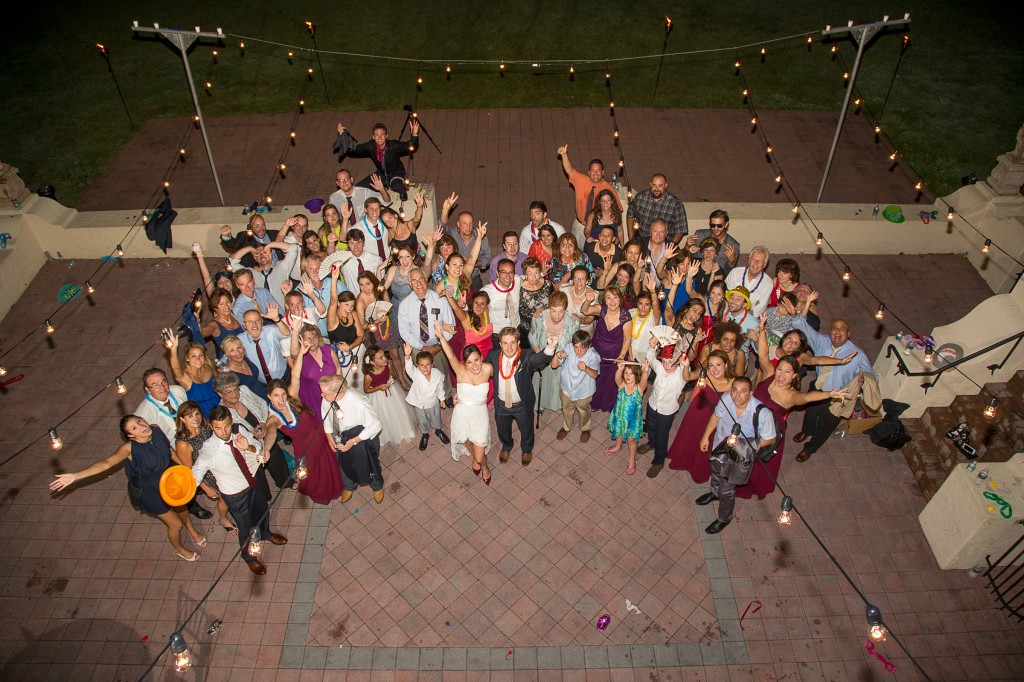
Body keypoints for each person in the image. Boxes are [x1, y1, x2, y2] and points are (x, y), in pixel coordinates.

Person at [50, 415, 206, 561]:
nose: (141, 426)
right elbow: (106, 463)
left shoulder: (156, 429)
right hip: (150, 491)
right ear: (131, 436)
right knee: (176, 524)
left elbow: (170, 451)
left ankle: (192, 530)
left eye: (139, 421)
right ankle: (178, 548)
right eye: (134, 428)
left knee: (182, 507)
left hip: (169, 479)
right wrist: (76, 476)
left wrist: (185, 470)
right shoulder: (129, 449)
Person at [747, 323, 852, 499]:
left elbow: (807, 397)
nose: (781, 375)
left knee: (755, 459)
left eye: (787, 372)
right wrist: (763, 329)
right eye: (780, 369)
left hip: (769, 428)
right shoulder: (770, 372)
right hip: (750, 418)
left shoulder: (791, 394)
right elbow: (763, 354)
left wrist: (830, 392)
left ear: (795, 375)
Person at [194, 406, 287, 575]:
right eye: (218, 428)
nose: (223, 432)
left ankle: (265, 533)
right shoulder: (208, 450)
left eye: (227, 426)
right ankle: (249, 557)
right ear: (211, 426)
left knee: (263, 511)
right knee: (246, 528)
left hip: (254, 481)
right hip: (235, 494)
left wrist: (247, 448)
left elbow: (257, 448)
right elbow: (196, 473)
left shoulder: (238, 429)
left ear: (231, 421)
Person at [695, 377, 777, 534]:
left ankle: (724, 518)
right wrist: (706, 436)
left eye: (743, 391)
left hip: (739, 456)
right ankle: (714, 493)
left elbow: (770, 438)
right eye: (734, 390)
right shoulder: (726, 398)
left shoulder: (762, 413)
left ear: (750, 393)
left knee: (727, 490)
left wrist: (742, 443)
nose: (737, 395)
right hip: (720, 447)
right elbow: (716, 417)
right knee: (716, 473)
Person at [790, 315, 877, 462]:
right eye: (835, 328)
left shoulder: (858, 355)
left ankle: (810, 448)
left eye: (843, 329)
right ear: (830, 332)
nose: (838, 332)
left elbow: (873, 377)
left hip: (838, 396)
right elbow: (802, 327)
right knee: (810, 412)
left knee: (826, 426)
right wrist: (797, 313)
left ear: (848, 334)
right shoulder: (821, 341)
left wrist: (863, 381)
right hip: (818, 388)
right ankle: (806, 431)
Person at [486, 327, 558, 466]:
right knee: (502, 429)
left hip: (522, 405)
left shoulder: (525, 356)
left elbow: (539, 359)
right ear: (500, 344)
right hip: (501, 404)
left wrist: (550, 347)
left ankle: (526, 449)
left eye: (513, 342)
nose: (509, 347)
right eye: (505, 343)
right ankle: (507, 446)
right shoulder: (493, 355)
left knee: (526, 429)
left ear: (518, 343)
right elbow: (481, 371)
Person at [265, 379, 344, 505]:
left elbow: (295, 375)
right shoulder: (273, 418)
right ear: (269, 396)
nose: (281, 399)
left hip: (321, 436)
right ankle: (324, 493)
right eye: (276, 395)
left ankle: (337, 488)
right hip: (306, 449)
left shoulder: (292, 399)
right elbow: (270, 432)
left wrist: (299, 357)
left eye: (283, 394)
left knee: (330, 465)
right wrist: (266, 449)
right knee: (317, 473)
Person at [436, 323, 494, 484]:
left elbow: (503, 375)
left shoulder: (488, 368)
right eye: (469, 362)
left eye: (476, 360)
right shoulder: (461, 372)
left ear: (481, 358)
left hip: (480, 416)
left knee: (479, 453)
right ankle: (479, 463)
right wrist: (440, 336)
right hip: (462, 415)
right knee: (467, 442)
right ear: (465, 364)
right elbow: (450, 356)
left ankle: (484, 466)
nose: (474, 365)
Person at [213, 372, 291, 490]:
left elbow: (262, 403)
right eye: (229, 392)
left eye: (236, 389)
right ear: (220, 394)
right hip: (250, 445)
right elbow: (234, 435)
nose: (235, 394)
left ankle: (285, 482)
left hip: (265, 431)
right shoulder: (224, 413)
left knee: (276, 457)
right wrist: (252, 436)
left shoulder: (244, 391)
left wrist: (265, 423)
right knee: (258, 473)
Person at [667, 350, 736, 478]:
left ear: (726, 365)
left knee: (706, 443)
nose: (714, 369)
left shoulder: (734, 383)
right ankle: (683, 460)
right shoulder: (705, 374)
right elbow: (687, 377)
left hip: (715, 419)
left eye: (718, 365)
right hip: (697, 411)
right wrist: (686, 366)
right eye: (711, 365)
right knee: (690, 437)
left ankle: (697, 468)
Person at [320, 373, 386, 503]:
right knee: (343, 463)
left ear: (337, 392)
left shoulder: (358, 402)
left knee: (370, 463)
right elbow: (326, 417)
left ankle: (377, 486)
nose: (322, 395)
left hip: (362, 439)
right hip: (340, 437)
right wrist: (329, 436)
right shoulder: (327, 399)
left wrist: (354, 441)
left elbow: (375, 425)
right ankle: (349, 486)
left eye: (325, 393)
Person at [175, 401, 236, 534]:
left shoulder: (206, 426)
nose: (195, 418)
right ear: (182, 419)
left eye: (197, 413)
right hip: (207, 474)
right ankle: (223, 518)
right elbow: (189, 469)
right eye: (190, 416)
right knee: (224, 497)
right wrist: (205, 487)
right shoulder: (183, 443)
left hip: (222, 462)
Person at [639, 336, 690, 478]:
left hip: (667, 412)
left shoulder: (680, 373)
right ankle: (651, 443)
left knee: (662, 435)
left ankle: (659, 460)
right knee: (650, 426)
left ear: (677, 361)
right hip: (652, 404)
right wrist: (652, 346)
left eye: (670, 362)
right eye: (665, 361)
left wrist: (685, 365)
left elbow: (687, 377)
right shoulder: (661, 368)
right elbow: (651, 358)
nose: (667, 365)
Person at [333, 119, 419, 197]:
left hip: (396, 172)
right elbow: (354, 150)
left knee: (397, 187)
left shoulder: (394, 146)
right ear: (373, 137)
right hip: (381, 174)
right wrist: (343, 135)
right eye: (377, 135)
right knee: (358, 188)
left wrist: (414, 134)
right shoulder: (370, 146)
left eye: (382, 134)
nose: (380, 137)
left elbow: (411, 146)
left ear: (386, 136)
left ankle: (403, 190)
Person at [555, 145, 620, 246]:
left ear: (603, 172)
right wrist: (564, 154)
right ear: (588, 172)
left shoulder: (609, 189)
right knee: (576, 252)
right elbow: (570, 170)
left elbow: (617, 211)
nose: (595, 173)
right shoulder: (581, 180)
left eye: (598, 170)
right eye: (593, 170)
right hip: (580, 225)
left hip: (598, 228)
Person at [529, 290, 579, 412]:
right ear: (549, 307)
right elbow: (532, 336)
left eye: (561, 311)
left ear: (565, 310)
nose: (557, 315)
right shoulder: (538, 318)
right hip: (543, 357)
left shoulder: (573, 322)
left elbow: (575, 342)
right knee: (541, 382)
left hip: (561, 361)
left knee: (558, 384)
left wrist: (565, 354)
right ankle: (539, 403)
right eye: (554, 311)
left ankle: (558, 403)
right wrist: (539, 353)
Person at [362, 345, 418, 445]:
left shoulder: (387, 365)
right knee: (385, 415)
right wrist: (378, 388)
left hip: (393, 392)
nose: (385, 359)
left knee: (399, 410)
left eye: (384, 355)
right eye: (381, 358)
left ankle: (403, 430)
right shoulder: (368, 376)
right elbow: (366, 390)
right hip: (378, 397)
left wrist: (391, 379)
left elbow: (393, 375)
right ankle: (389, 434)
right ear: (372, 362)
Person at [590, 286, 633, 412]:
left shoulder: (626, 316)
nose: (612, 301)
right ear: (604, 300)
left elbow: (627, 339)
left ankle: (608, 405)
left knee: (610, 382)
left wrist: (621, 356)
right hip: (597, 351)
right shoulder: (602, 310)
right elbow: (585, 310)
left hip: (615, 353)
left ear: (620, 299)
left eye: (615, 297)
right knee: (596, 379)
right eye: (608, 297)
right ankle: (595, 403)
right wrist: (588, 300)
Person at [552, 330, 600, 442]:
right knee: (566, 409)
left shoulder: (594, 356)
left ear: (589, 345)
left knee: (584, 411)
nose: (579, 351)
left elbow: (595, 375)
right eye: (576, 347)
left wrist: (587, 368)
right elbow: (554, 365)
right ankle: (567, 427)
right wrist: (557, 355)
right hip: (566, 389)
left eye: (583, 348)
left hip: (584, 392)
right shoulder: (568, 348)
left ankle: (585, 428)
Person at [605, 356, 650, 476]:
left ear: (637, 375)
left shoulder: (639, 389)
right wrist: (619, 369)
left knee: (631, 441)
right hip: (619, 417)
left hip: (633, 422)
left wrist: (645, 372)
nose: (628, 376)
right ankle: (618, 446)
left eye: (631, 373)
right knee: (619, 432)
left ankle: (632, 460)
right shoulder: (622, 385)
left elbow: (644, 382)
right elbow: (617, 378)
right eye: (626, 373)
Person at [403, 342, 450, 451]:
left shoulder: (437, 374)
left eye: (428, 364)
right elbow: (409, 368)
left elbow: (440, 387)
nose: (425, 368)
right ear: (417, 366)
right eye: (422, 365)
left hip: (433, 402)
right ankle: (425, 434)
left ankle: (438, 430)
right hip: (420, 404)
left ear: (432, 364)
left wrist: (442, 399)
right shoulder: (416, 374)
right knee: (422, 420)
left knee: (436, 417)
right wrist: (407, 356)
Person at [228, 239, 301, 310]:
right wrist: (250, 248)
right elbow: (232, 263)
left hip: (283, 316)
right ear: (255, 258)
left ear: (271, 254)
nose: (262, 255)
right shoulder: (250, 274)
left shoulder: (282, 267)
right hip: (261, 319)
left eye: (265, 252)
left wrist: (270, 245)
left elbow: (293, 249)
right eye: (258, 254)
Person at [438, 193, 491, 289]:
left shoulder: (481, 238)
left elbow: (487, 259)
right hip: (453, 277)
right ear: (458, 224)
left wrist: (473, 263)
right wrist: (445, 211)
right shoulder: (453, 234)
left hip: (473, 277)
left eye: (470, 223)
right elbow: (443, 226)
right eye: (465, 223)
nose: (468, 226)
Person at [290, 324, 342, 418]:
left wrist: (339, 389)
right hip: (313, 398)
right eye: (308, 338)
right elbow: (293, 352)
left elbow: (338, 368)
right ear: (302, 340)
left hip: (332, 393)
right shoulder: (301, 356)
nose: (312, 341)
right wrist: (295, 330)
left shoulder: (328, 349)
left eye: (315, 337)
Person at [166, 332, 219, 418]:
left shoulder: (211, 367)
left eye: (201, 355)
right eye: (193, 356)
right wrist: (173, 349)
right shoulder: (185, 377)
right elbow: (175, 368)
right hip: (201, 418)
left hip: (220, 412)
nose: (198, 359)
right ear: (187, 358)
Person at [326, 273, 365, 388]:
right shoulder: (332, 320)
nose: (349, 308)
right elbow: (333, 299)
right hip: (342, 359)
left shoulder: (353, 314)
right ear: (339, 304)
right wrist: (334, 278)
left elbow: (361, 335)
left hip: (358, 353)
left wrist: (350, 347)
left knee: (363, 382)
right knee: (350, 385)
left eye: (352, 305)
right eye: (346, 305)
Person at [626, 174, 688, 243]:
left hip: (663, 242)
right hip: (642, 241)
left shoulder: (675, 203)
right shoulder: (641, 197)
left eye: (660, 186)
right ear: (650, 184)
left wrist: (671, 246)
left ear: (666, 185)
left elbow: (681, 229)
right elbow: (630, 215)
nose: (656, 189)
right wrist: (631, 238)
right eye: (654, 185)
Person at [239, 308, 290, 384]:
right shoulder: (240, 340)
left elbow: (286, 333)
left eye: (257, 321)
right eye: (250, 322)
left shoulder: (270, 331)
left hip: (284, 377)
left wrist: (277, 319)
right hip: (263, 384)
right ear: (244, 325)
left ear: (262, 322)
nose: (254, 325)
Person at [328, 169, 393, 225]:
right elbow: (332, 217)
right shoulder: (334, 198)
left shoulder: (364, 192)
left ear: (351, 179)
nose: (344, 183)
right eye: (341, 181)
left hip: (364, 227)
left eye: (346, 179)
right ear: (337, 183)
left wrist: (382, 189)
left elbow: (387, 202)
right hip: (346, 229)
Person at [686, 210, 740, 274]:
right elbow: (685, 258)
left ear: (726, 225)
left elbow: (729, 273)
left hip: (717, 279)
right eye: (712, 225)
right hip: (695, 276)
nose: (715, 228)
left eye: (719, 225)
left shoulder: (733, 245)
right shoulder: (699, 235)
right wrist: (687, 246)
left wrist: (731, 262)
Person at [724, 247, 773, 317]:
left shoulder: (768, 283)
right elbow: (725, 296)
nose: (756, 263)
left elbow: (759, 309)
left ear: (764, 264)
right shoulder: (735, 272)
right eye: (753, 259)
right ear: (749, 260)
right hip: (728, 312)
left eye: (760, 261)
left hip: (750, 318)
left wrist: (743, 318)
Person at [481, 260, 521, 345]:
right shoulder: (487, 291)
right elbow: (476, 308)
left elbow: (531, 280)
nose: (508, 276)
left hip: (516, 329)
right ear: (497, 273)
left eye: (511, 272)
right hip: (497, 334)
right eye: (504, 272)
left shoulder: (517, 280)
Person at [220, 336, 267, 400]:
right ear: (226, 354)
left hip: (265, 394)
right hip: (254, 404)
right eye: (232, 350)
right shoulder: (228, 373)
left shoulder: (245, 358)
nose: (238, 353)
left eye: (239, 348)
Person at [518, 257, 553, 340]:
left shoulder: (547, 284)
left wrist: (544, 308)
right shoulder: (519, 287)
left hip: (545, 327)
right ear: (525, 274)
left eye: (536, 272)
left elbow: (554, 302)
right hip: (526, 329)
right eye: (530, 273)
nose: (534, 277)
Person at [565, 266, 599, 336]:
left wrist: (579, 319)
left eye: (582, 279)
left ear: (587, 281)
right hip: (567, 330)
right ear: (572, 280)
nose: (579, 281)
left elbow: (590, 319)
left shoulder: (593, 295)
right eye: (576, 278)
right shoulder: (564, 290)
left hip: (585, 332)